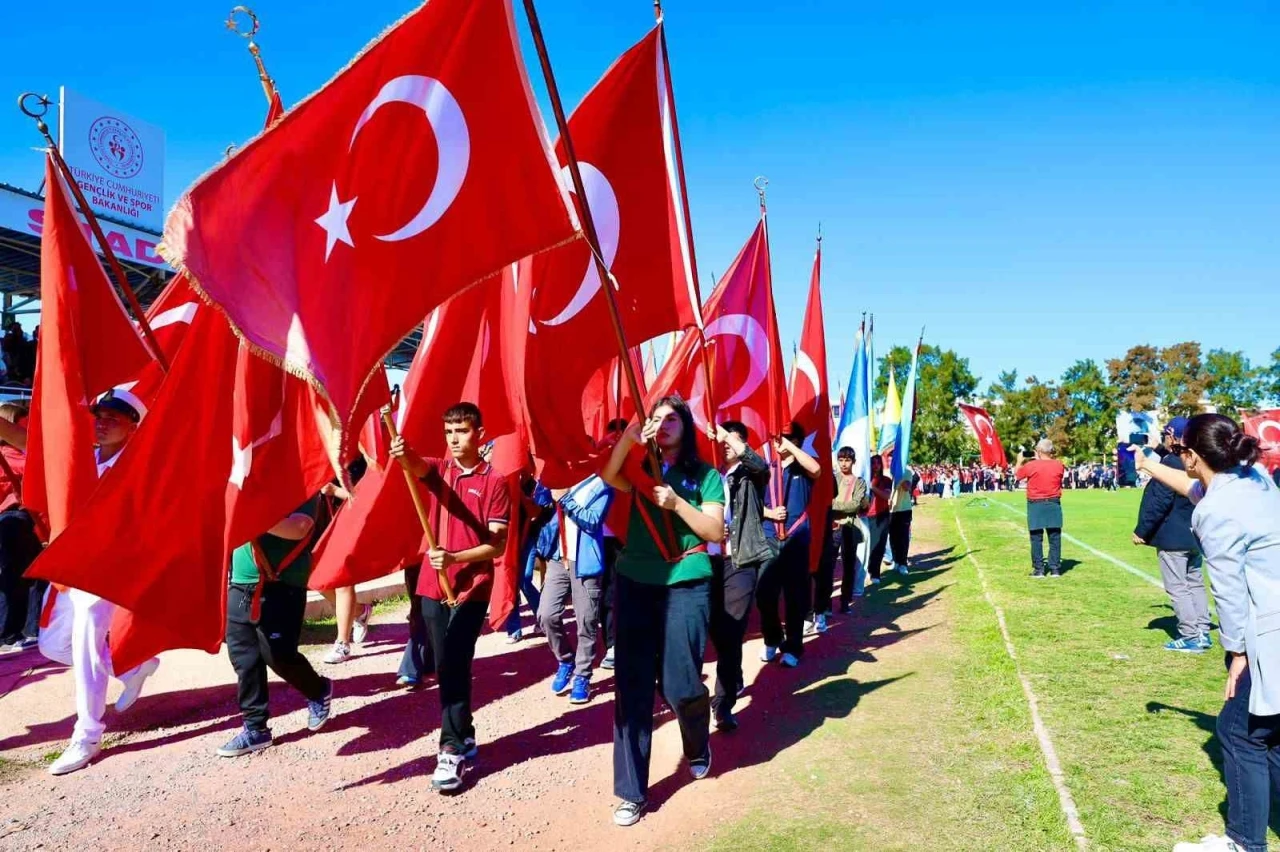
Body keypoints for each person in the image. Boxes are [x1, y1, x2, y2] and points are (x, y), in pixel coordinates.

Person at [1133, 416, 1280, 852]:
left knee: (1239, 731)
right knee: (1270, 732)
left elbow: (1230, 592)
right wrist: (1150, 464)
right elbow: (1196, 487)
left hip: (1267, 629)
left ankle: (1243, 842)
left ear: (1194, 456)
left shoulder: (1217, 512)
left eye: (1181, 453)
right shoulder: (1255, 481)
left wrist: (1237, 654)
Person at [600, 396, 724, 827]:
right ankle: (632, 792)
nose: (663, 424)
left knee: (681, 683)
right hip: (635, 580)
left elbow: (714, 530)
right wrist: (630, 440)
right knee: (632, 688)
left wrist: (675, 504)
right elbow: (609, 474)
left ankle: (696, 741)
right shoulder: (639, 467)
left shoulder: (706, 476)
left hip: (686, 580)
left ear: (687, 428)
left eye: (672, 418)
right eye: (656, 418)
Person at [389, 402, 509, 794]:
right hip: (432, 586)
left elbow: (497, 544)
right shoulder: (440, 471)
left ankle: (451, 749)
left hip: (471, 588)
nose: (455, 440)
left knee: (455, 662)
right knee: (447, 666)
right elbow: (414, 464)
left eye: (462, 431)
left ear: (480, 434)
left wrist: (456, 557)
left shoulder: (496, 482)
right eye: (449, 432)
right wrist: (397, 443)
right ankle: (466, 731)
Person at [39, 389, 161, 775]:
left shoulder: (139, 464)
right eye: (99, 415)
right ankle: (128, 669)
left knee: (87, 643)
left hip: (110, 567)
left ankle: (87, 734)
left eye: (114, 417)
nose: (103, 422)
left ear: (133, 426)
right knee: (53, 644)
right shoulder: (84, 461)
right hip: (73, 563)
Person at [220, 499, 333, 757]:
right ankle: (255, 728)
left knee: (279, 655)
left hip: (282, 583)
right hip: (239, 584)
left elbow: (300, 527)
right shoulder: (240, 482)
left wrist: (251, 517)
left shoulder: (299, 482)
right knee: (243, 659)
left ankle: (318, 690)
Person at [709, 420, 770, 731]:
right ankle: (733, 674)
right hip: (707, 562)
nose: (724, 444)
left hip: (740, 559)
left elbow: (760, 464)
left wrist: (730, 439)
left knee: (732, 630)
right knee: (715, 631)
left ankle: (723, 704)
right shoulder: (706, 475)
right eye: (721, 439)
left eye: (731, 440)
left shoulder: (750, 475)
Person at [1133, 417, 1212, 653]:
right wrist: (1159, 447)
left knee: (1178, 587)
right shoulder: (1198, 463)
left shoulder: (1170, 463)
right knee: (1195, 583)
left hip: (1172, 536)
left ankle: (1190, 635)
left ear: (1174, 437)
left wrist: (1141, 531)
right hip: (1193, 534)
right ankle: (1202, 630)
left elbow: (1159, 501)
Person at [537, 474, 612, 706]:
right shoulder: (559, 474)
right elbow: (538, 501)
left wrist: (566, 498)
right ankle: (566, 659)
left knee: (586, 621)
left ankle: (582, 676)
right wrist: (547, 479)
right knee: (546, 615)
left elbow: (592, 521)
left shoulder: (603, 484)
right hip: (559, 558)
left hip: (586, 561)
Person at [757, 422, 821, 667]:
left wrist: (792, 450)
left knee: (795, 596)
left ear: (797, 442)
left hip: (796, 539)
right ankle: (773, 637)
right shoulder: (765, 470)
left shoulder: (802, 468)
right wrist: (771, 513)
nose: (779, 442)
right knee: (764, 594)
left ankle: (793, 646)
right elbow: (751, 504)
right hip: (769, 537)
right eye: (777, 438)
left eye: (786, 438)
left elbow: (816, 469)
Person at [319, 459, 375, 665]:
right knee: (316, 581)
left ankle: (342, 643)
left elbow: (367, 497)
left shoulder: (360, 457)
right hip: (320, 524)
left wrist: (335, 491)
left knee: (343, 580)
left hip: (349, 522)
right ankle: (360, 611)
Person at [0, 403, 42, 654]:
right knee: (19, 575)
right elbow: (33, 467)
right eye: (20, 426)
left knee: (25, 574)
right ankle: (13, 632)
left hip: (17, 520)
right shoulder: (11, 455)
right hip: (15, 519)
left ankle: (25, 630)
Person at [1014, 439, 1066, 578]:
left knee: (1036, 538)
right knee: (1055, 537)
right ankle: (1055, 568)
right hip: (1054, 503)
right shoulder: (1059, 465)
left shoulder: (1032, 465)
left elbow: (1017, 475)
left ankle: (1039, 569)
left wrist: (1019, 461)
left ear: (1039, 451)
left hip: (1036, 503)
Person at [831, 447, 869, 612]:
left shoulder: (859, 482)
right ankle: (825, 606)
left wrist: (833, 506)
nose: (843, 464)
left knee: (848, 566)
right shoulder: (833, 479)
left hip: (850, 528)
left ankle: (845, 602)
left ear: (853, 462)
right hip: (832, 528)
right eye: (841, 460)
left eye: (847, 460)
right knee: (828, 566)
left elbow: (855, 505)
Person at [862, 456, 894, 587]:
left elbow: (886, 496)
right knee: (868, 546)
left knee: (879, 545)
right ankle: (866, 571)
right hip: (866, 516)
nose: (875, 465)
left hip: (881, 516)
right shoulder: (864, 479)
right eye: (873, 463)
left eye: (878, 463)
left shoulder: (886, 480)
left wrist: (873, 488)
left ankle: (875, 573)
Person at [888, 467, 914, 576]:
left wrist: (899, 476)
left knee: (903, 537)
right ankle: (896, 561)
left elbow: (907, 487)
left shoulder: (907, 471)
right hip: (890, 510)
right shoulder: (886, 472)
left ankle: (903, 563)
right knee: (893, 537)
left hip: (904, 509)